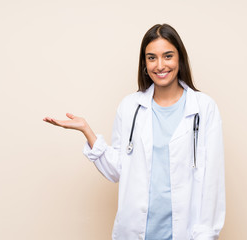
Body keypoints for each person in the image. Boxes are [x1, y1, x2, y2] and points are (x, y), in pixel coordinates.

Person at [43, 23, 225, 240]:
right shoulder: (130, 107)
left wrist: (206, 234)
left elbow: (212, 180)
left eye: (168, 56)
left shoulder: (203, 108)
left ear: (180, 59)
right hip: (136, 231)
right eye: (151, 58)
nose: (160, 65)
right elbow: (117, 170)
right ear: (144, 63)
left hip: (186, 232)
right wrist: (87, 131)